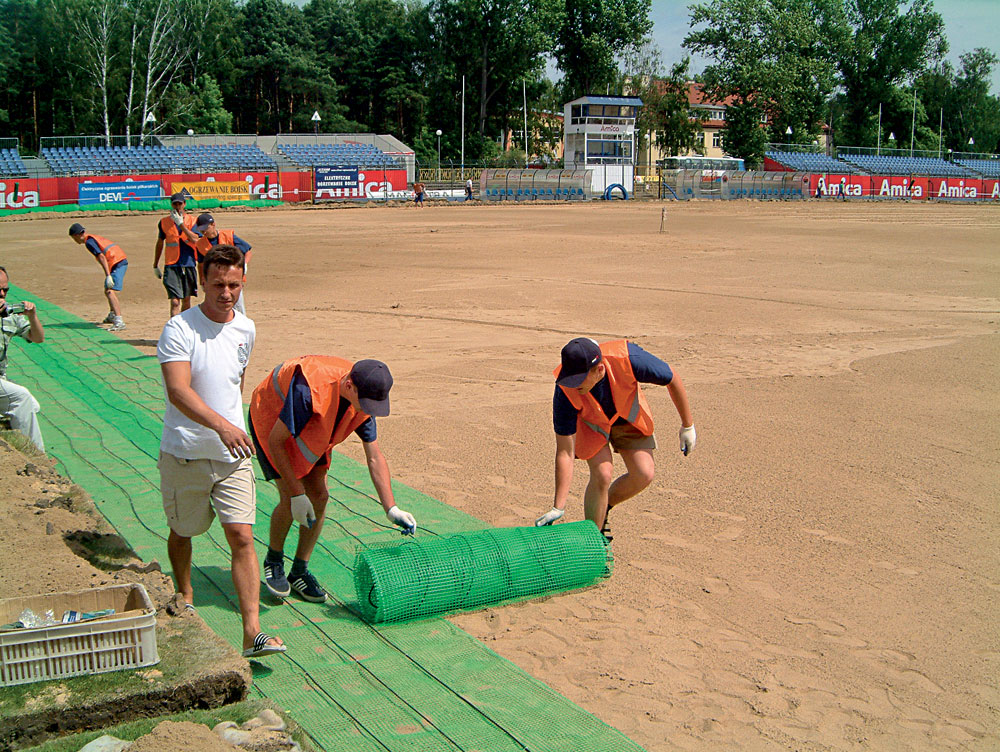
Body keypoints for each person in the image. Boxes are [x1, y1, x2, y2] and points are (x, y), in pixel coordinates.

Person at [156, 244, 284, 659]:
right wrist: (223, 425)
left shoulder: (246, 328)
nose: (225, 293)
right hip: (185, 452)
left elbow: (235, 381)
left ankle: (252, 632)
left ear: (243, 281)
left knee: (242, 536)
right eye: (217, 285)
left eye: (233, 285)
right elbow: (178, 391)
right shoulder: (179, 329)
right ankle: (186, 596)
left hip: (233, 457)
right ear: (202, 281)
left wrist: (234, 426)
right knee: (183, 532)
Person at [248, 356, 415, 603]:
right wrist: (296, 493)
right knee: (289, 497)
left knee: (319, 496)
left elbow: (374, 456)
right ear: (349, 386)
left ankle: (299, 571)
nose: (368, 410)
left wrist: (391, 508)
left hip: (315, 424)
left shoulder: (364, 395)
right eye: (366, 404)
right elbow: (276, 442)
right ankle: (274, 560)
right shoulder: (309, 391)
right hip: (272, 416)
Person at [536, 337, 696, 541]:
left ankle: (604, 505)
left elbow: (672, 378)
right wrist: (558, 507)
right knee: (603, 473)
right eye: (570, 379)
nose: (573, 385)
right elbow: (565, 451)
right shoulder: (565, 389)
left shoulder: (629, 358)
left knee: (643, 473)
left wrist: (687, 425)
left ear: (599, 370)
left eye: (579, 380)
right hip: (590, 423)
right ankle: (595, 540)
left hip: (625, 416)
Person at [0, 266, 45, 452]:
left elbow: (38, 338)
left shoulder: (8, 315)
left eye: (5, 289)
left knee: (33, 406)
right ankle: (36, 455)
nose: (2, 294)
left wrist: (32, 316)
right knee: (21, 398)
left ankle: (11, 448)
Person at [68, 223, 127, 331]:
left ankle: (119, 321)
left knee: (109, 291)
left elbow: (101, 257)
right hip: (118, 260)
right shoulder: (91, 238)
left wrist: (108, 275)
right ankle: (112, 314)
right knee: (107, 289)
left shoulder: (89, 242)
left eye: (73, 238)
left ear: (76, 235)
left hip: (117, 262)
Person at [192, 213, 253, 315]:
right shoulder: (200, 244)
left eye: (205, 228)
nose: (204, 231)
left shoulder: (228, 236)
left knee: (238, 306)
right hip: (215, 281)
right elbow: (201, 264)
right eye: (201, 229)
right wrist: (202, 281)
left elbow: (247, 251)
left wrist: (244, 264)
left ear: (213, 224)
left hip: (232, 278)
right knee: (217, 306)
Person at [153, 192, 200, 318]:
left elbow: (195, 239)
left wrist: (181, 224)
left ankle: (184, 326)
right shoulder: (164, 222)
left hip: (188, 263)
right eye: (175, 204)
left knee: (186, 300)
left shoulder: (193, 221)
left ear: (184, 204)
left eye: (180, 203)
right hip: (172, 264)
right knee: (174, 301)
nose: (177, 206)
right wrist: (155, 265)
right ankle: (174, 327)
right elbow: (160, 243)